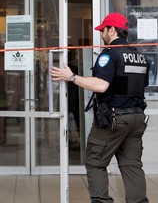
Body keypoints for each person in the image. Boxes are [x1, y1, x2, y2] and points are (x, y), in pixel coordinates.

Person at [50, 13, 150, 203]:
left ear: (112, 30)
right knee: (132, 166)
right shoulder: (139, 55)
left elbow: (101, 85)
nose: (101, 34)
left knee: (95, 162)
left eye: (103, 30)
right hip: (136, 118)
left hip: (114, 119)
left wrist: (71, 77)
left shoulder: (110, 54)